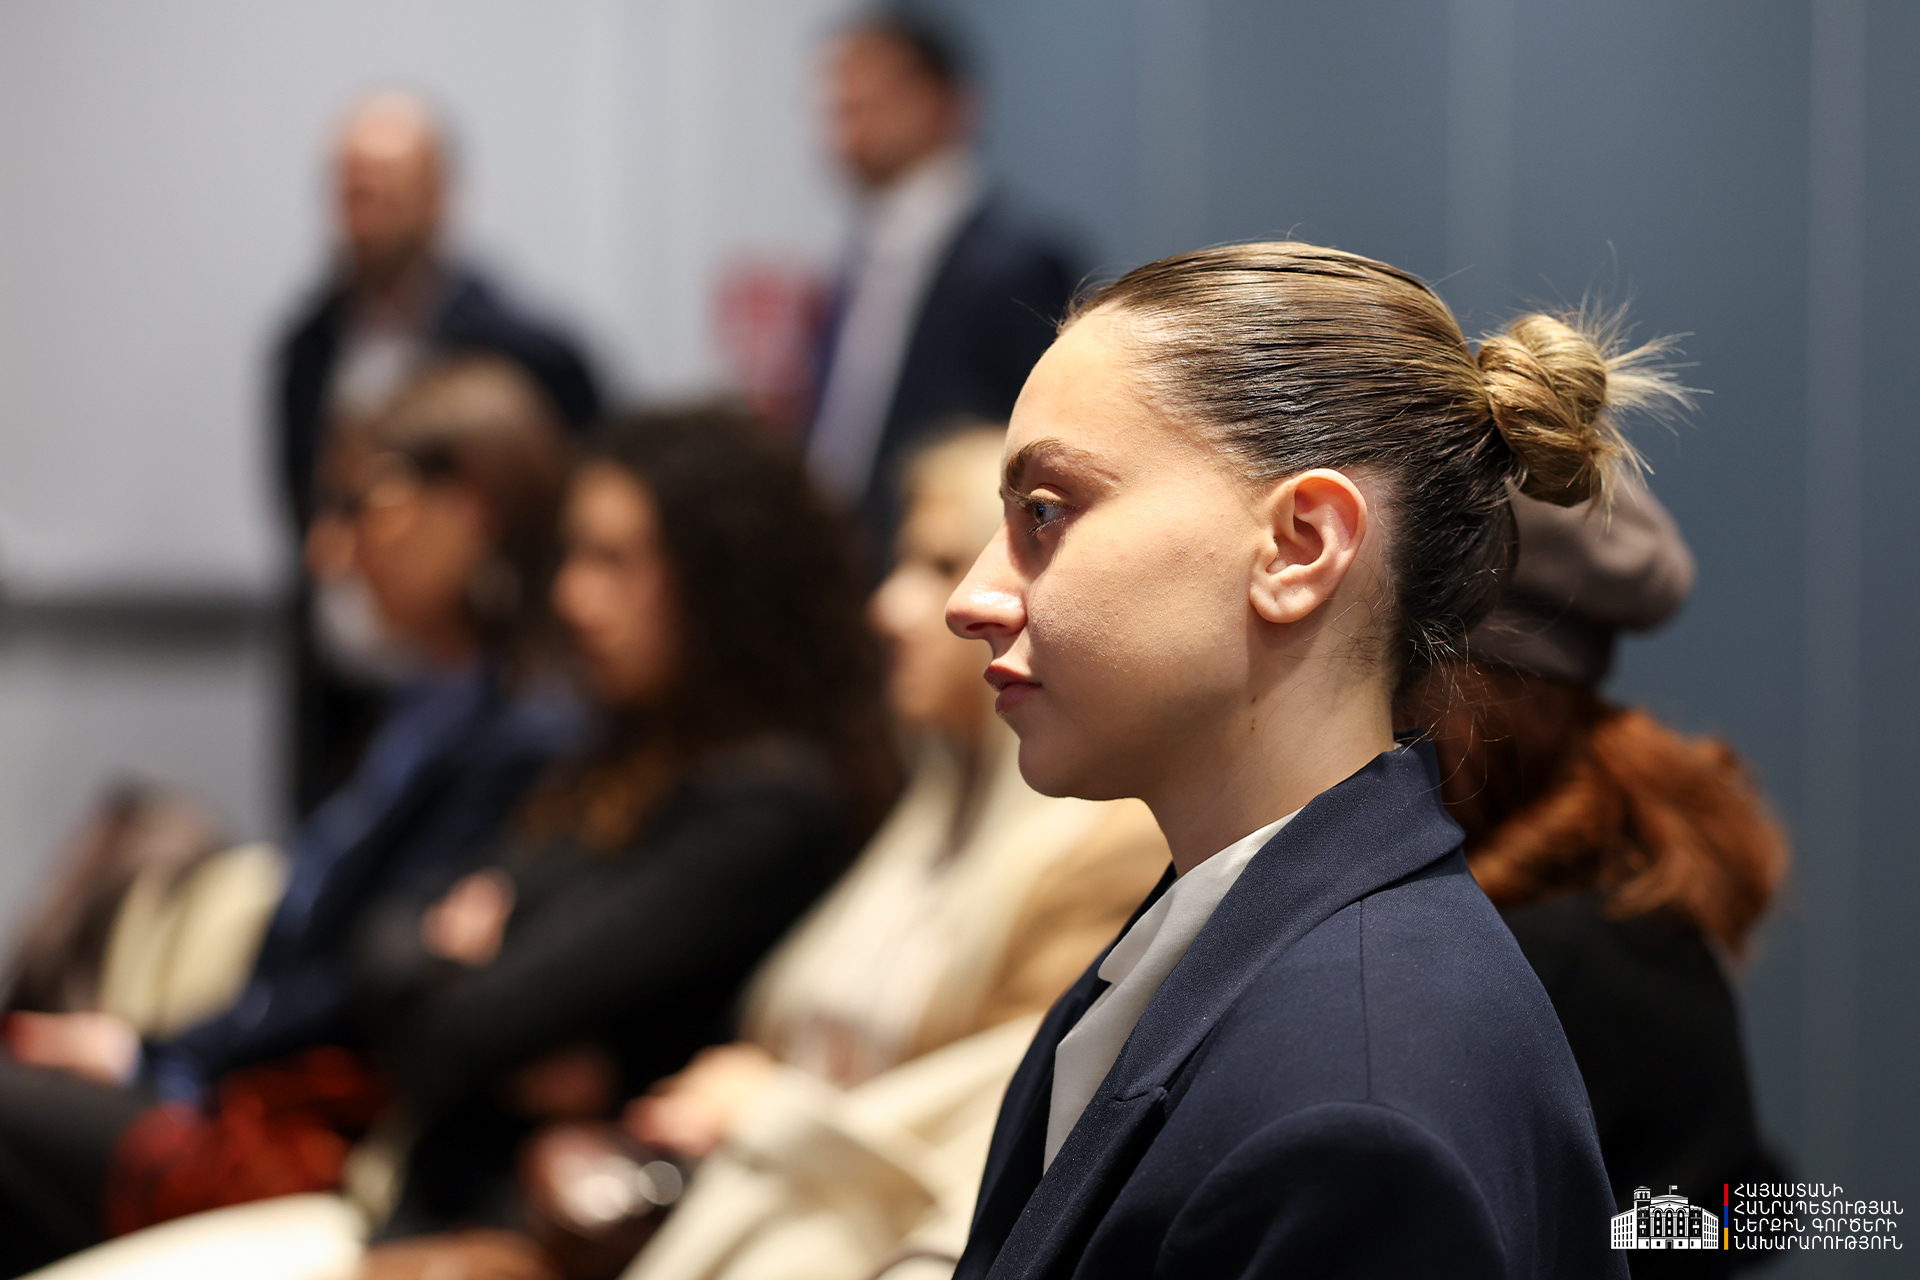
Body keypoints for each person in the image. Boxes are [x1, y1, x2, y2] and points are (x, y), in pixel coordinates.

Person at [943, 244, 1684, 1278]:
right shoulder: (1207, 952)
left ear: (1299, 546)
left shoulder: (1357, 1117)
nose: (972, 597)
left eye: (1045, 511)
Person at [0, 357, 581, 1276]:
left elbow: (367, 984)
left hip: (306, 1129)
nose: (332, 551)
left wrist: (150, 1057)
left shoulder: (521, 734)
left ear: (469, 507)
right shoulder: (434, 705)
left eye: (366, 505)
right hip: (240, 1082)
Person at [612, 427, 1168, 1280]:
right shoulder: (923, 817)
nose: (894, 609)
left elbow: (1011, 1127)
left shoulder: (1110, 847)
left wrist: (771, 1111)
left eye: (938, 565)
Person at [351, 406, 898, 1242]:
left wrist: (466, 965)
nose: (571, 596)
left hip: (543, 1240)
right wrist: (443, 971)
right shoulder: (611, 759)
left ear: (720, 577)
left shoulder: (766, 803)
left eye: (614, 560)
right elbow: (378, 943)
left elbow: (457, 1033)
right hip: (445, 1213)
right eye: (573, 556)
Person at [1404, 479, 1789, 1279]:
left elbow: (1717, 1216)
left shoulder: (1541, 960)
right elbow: (1739, 1210)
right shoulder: (1620, 900)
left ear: (1462, 700)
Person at [279, 89, 603, 815]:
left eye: (383, 192)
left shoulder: (528, 354)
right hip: (346, 692)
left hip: (485, 679)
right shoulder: (304, 348)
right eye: (348, 192)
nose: (361, 216)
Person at [805, 12, 1078, 559]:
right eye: (838, 105)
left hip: (953, 555)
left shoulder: (1018, 261)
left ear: (943, 102)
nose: (847, 125)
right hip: (843, 557)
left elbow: (1040, 445)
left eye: (870, 100)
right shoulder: (856, 257)